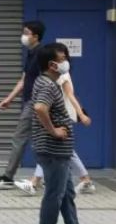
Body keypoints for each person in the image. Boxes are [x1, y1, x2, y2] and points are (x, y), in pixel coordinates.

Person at [16, 63, 96, 196]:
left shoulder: (62, 74)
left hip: (61, 116)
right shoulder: (49, 76)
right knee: (59, 150)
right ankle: (85, 180)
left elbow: (70, 95)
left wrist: (81, 114)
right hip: (56, 115)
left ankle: (34, 183)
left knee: (50, 149)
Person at [0, 20, 46, 189]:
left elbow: (49, 78)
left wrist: (43, 102)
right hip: (31, 102)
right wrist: (9, 98)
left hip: (37, 103)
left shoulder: (42, 54)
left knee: (23, 138)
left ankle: (9, 177)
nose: (23, 36)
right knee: (42, 140)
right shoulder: (31, 53)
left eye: (26, 33)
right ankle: (46, 177)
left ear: (35, 36)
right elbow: (24, 80)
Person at [31, 43, 79, 224]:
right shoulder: (47, 85)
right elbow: (40, 108)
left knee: (66, 195)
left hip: (59, 152)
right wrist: (54, 131)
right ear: (52, 65)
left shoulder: (49, 83)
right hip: (53, 151)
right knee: (54, 195)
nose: (67, 62)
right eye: (63, 59)